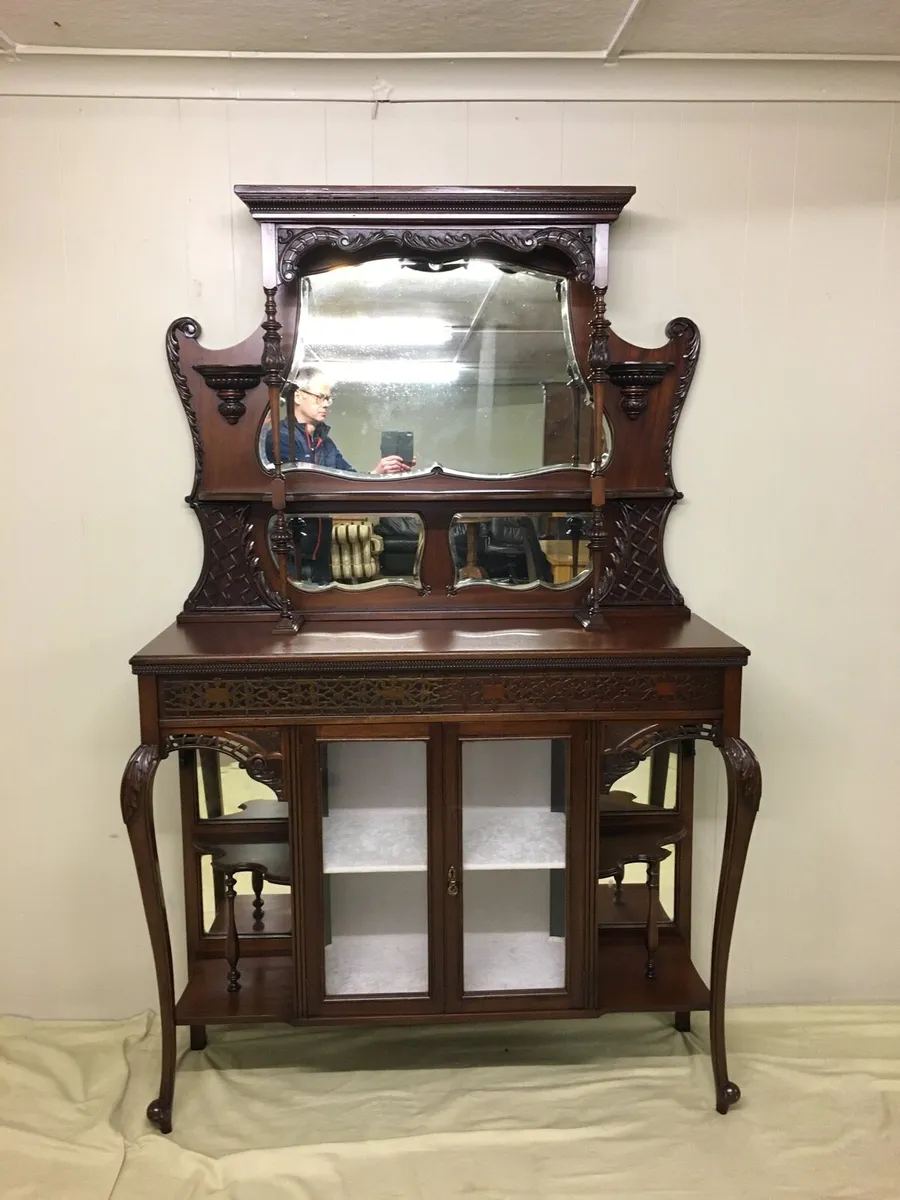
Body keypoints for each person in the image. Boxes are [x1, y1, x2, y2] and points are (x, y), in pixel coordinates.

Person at [264, 365, 411, 475]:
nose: (326, 404)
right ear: (297, 396)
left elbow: (349, 479)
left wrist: (380, 472)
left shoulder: (326, 444)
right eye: (320, 397)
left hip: (319, 516)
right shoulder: (280, 437)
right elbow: (303, 486)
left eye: (328, 399)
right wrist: (376, 473)